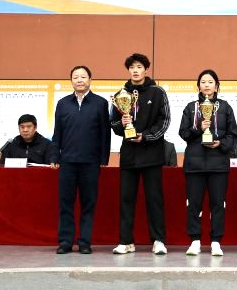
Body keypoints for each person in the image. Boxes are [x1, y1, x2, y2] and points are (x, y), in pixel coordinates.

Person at [111, 53, 170, 256]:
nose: (135, 70)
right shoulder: (120, 94)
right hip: (129, 155)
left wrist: (145, 136)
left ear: (146, 69)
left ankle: (158, 240)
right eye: (132, 67)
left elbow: (164, 121)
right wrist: (122, 124)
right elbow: (114, 124)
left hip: (152, 154)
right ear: (128, 70)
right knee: (126, 199)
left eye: (139, 67)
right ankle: (126, 241)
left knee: (154, 199)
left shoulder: (158, 92)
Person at [51, 66, 111, 255]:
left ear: (90, 80)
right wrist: (54, 156)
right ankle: (65, 241)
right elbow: (57, 133)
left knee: (88, 203)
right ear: (71, 81)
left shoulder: (100, 103)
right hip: (67, 161)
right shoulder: (62, 103)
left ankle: (85, 242)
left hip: (90, 162)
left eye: (83, 76)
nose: (79, 80)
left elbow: (105, 133)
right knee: (65, 203)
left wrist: (104, 157)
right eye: (75, 77)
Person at [179, 69, 237, 256]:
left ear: (217, 85)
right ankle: (195, 240)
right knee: (193, 204)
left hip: (218, 164)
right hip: (194, 165)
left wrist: (221, 143)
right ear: (198, 86)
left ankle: (216, 241)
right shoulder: (191, 107)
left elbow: (233, 135)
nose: (206, 85)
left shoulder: (225, 107)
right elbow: (183, 133)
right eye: (203, 82)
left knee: (218, 204)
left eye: (210, 82)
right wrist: (198, 128)